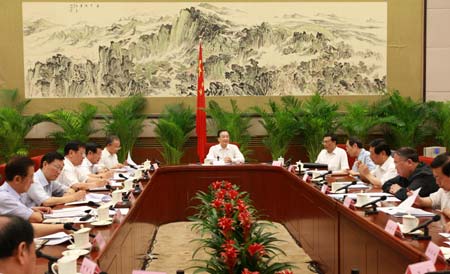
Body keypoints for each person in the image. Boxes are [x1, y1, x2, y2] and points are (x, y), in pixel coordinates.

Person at [0, 157, 50, 223]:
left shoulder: (17, 191)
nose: (32, 181)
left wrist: (31, 209)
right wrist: (34, 213)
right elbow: (36, 218)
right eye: (31, 177)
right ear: (17, 179)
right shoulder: (4, 197)